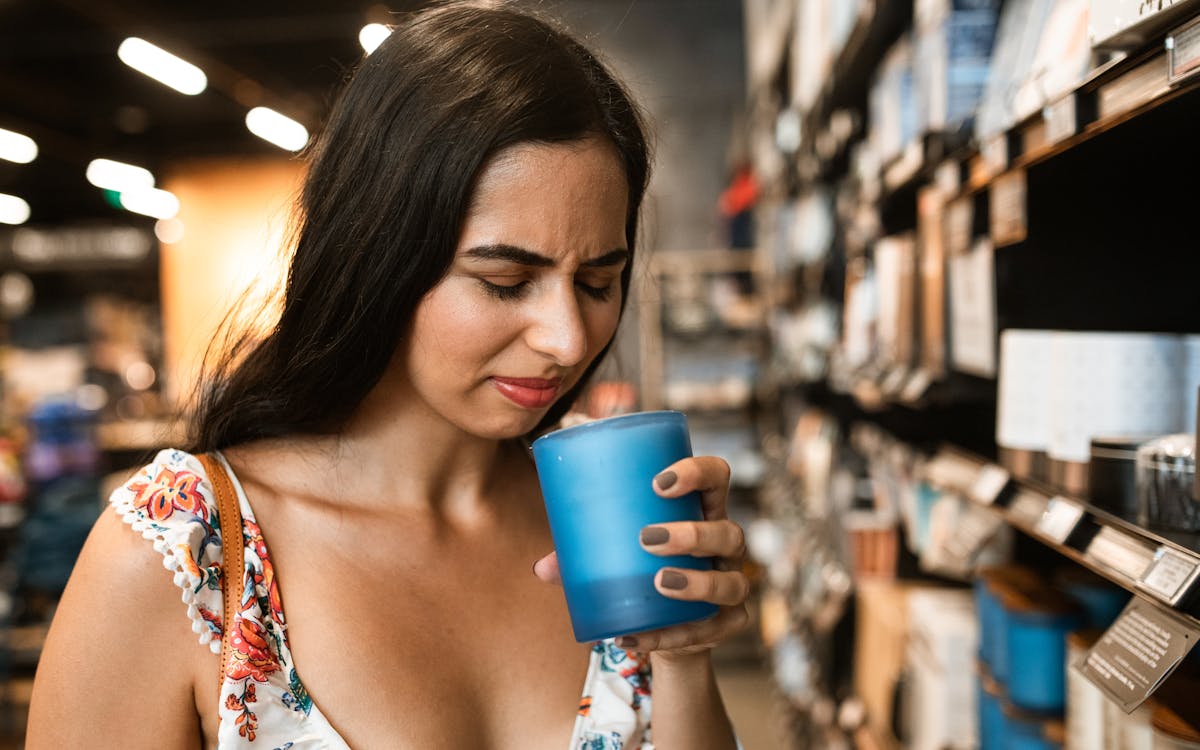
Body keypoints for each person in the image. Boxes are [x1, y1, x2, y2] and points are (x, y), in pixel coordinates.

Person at [27, 3, 749, 748]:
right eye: (505, 280)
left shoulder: (600, 527)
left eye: (598, 283)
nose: (568, 339)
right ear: (378, 258)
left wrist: (685, 659)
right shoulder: (185, 549)